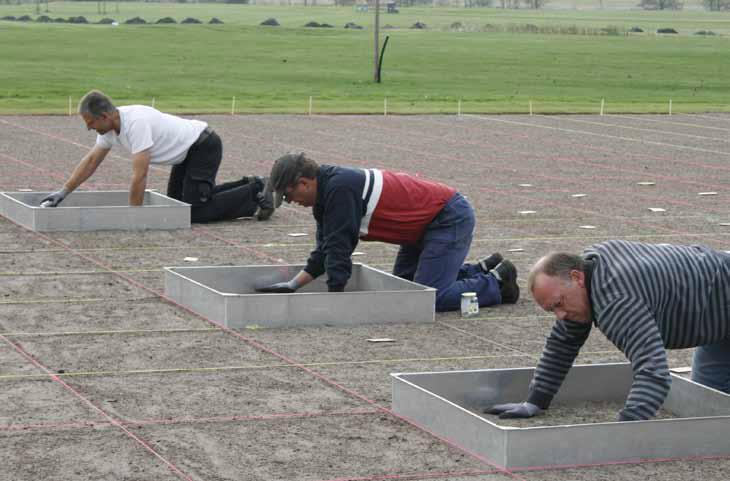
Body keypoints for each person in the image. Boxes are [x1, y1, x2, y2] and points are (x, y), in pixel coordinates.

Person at [486, 240, 730, 422]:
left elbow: (653, 371)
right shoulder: (589, 275)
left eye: (559, 305)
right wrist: (535, 401)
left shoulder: (617, 299)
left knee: (711, 411)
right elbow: (562, 343)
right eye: (552, 310)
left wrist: (623, 429)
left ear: (576, 277)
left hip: (721, 296)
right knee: (713, 410)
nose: (560, 316)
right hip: (718, 313)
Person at [255, 152, 520, 312]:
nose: (292, 203)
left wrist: (334, 300)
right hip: (420, 227)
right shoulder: (326, 194)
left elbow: (339, 250)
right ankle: (480, 270)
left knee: (429, 299)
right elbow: (325, 249)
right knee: (404, 285)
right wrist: (293, 285)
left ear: (304, 182)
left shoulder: (340, 190)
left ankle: (496, 282)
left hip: (447, 217)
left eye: (289, 197)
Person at [40, 90, 274, 223]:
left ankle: (256, 191)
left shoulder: (136, 123)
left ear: (104, 116)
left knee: (194, 212)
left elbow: (140, 175)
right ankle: (249, 185)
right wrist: (63, 192)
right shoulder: (109, 130)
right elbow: (91, 161)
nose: (89, 128)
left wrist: (134, 217)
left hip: (202, 145)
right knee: (178, 206)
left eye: (90, 123)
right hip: (184, 155)